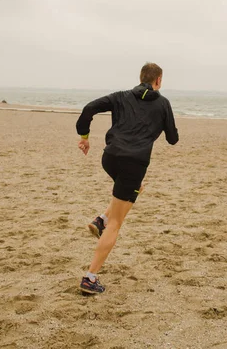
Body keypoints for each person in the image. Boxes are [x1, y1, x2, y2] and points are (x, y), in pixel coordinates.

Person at [76, 62, 179, 294]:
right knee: (117, 221)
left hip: (109, 158)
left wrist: (84, 136)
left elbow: (89, 107)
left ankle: (101, 219)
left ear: (141, 77)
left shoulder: (120, 96)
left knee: (131, 189)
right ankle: (90, 278)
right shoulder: (163, 104)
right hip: (134, 163)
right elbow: (173, 139)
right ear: (158, 80)